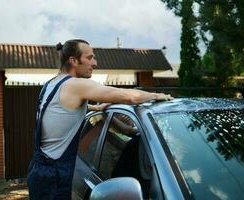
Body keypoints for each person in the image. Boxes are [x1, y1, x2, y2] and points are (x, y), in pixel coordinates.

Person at [27, 39, 173, 200]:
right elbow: (129, 97)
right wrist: (158, 95)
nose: (95, 63)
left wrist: (94, 108)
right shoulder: (76, 85)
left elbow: (58, 109)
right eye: (89, 58)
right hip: (53, 177)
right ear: (73, 61)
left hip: (39, 169)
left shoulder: (52, 83)